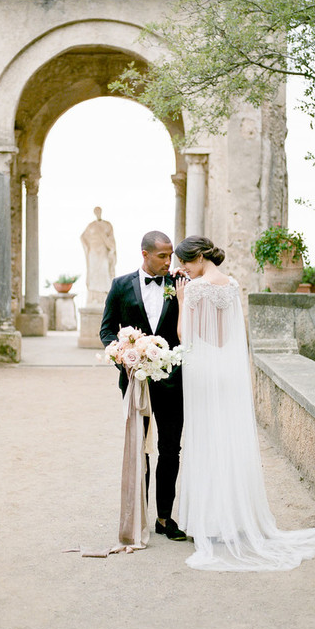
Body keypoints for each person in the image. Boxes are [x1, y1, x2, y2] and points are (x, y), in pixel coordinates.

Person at [174, 235, 315, 571]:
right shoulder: (231, 284)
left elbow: (184, 334)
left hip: (204, 373)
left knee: (205, 440)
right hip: (227, 373)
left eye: (186, 262)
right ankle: (230, 519)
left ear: (200, 257)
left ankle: (208, 522)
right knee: (227, 440)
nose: (183, 269)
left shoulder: (193, 288)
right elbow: (225, 336)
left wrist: (180, 300)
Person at [100, 231, 186, 541]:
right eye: (162, 256)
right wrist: (123, 356)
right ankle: (140, 517)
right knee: (140, 450)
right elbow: (107, 330)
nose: (168, 261)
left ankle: (165, 518)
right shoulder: (120, 286)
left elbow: (184, 330)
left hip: (172, 383)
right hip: (135, 384)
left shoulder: (179, 285)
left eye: (170, 255)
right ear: (144, 255)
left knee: (170, 449)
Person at [81, 207, 116, 307]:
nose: (98, 213)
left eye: (99, 211)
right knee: (94, 273)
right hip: (93, 252)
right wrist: (88, 247)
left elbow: (111, 239)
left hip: (103, 252)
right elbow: (83, 237)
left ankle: (104, 296)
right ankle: (94, 297)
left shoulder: (107, 225)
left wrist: (111, 249)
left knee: (104, 272)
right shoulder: (91, 225)